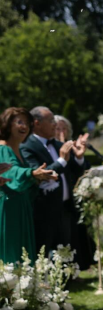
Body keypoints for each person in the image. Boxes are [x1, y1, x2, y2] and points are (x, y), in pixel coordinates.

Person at [20, 106, 89, 256]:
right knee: (43, 250)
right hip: (43, 210)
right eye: (50, 120)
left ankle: (67, 278)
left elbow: (74, 173)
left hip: (64, 207)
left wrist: (78, 158)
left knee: (64, 249)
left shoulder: (58, 144)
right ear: (36, 123)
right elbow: (39, 175)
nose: (55, 124)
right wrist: (62, 160)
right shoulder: (27, 147)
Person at [0, 107, 58, 263]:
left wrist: (38, 178)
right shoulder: (3, 148)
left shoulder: (18, 150)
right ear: (7, 124)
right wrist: (31, 174)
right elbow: (11, 172)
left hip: (22, 210)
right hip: (8, 211)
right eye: (19, 122)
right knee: (11, 258)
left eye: (26, 123)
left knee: (23, 258)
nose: (24, 126)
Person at [54, 114, 95, 269]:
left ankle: (78, 265)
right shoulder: (49, 149)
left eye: (64, 128)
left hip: (72, 199)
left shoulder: (70, 149)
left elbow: (81, 169)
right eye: (58, 128)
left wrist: (79, 157)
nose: (61, 131)